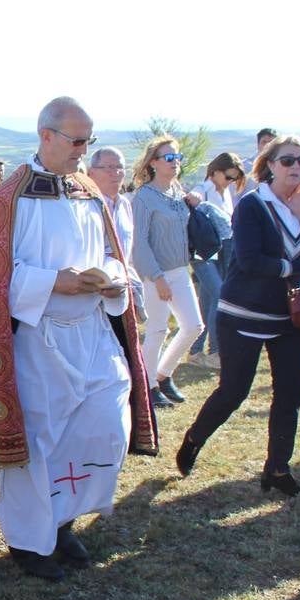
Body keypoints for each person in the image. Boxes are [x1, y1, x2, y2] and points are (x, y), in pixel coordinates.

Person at [0, 97, 157, 582]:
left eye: (88, 141)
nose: (83, 150)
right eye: (77, 141)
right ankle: (29, 542)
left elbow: (109, 251)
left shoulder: (86, 192)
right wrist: (55, 282)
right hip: (39, 338)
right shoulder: (10, 199)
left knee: (103, 425)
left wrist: (113, 278)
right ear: (46, 136)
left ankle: (64, 522)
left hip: (94, 331)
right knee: (41, 443)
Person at [177, 136, 300, 498]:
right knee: (234, 390)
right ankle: (194, 438)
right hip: (243, 314)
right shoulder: (252, 204)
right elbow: (249, 261)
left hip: (290, 319)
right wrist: (296, 266)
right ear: (271, 164)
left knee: (291, 393)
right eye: (288, 160)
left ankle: (277, 469)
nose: (296, 167)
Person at [131, 135, 205, 407]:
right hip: (155, 273)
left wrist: (194, 199)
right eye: (168, 158)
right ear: (153, 163)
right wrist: (157, 277)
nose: (175, 163)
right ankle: (147, 386)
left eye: (177, 157)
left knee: (193, 326)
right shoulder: (144, 197)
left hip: (179, 269)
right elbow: (139, 242)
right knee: (158, 330)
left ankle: (162, 374)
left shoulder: (176, 191)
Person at [186, 153, 245, 368]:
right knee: (219, 295)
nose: (230, 182)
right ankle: (215, 351)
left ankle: (195, 351)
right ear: (216, 172)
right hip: (203, 252)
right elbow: (194, 195)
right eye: (229, 177)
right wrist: (194, 197)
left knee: (209, 299)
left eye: (234, 179)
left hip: (221, 250)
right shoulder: (204, 190)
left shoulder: (225, 193)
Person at [86, 147, 144, 326]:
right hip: (93, 296)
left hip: (122, 290)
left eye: (120, 168)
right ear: (91, 173)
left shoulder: (125, 204)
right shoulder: (86, 206)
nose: (116, 173)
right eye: (109, 168)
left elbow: (128, 251)